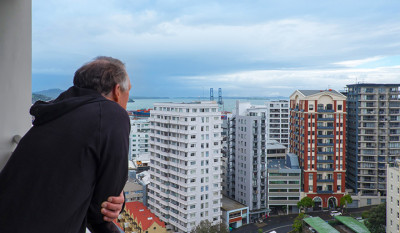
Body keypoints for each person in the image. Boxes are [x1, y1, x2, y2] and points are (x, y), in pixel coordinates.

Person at [0, 56, 132, 233]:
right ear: (117, 90)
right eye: (128, 90)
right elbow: (103, 208)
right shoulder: (112, 114)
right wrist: (116, 201)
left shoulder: (56, 113)